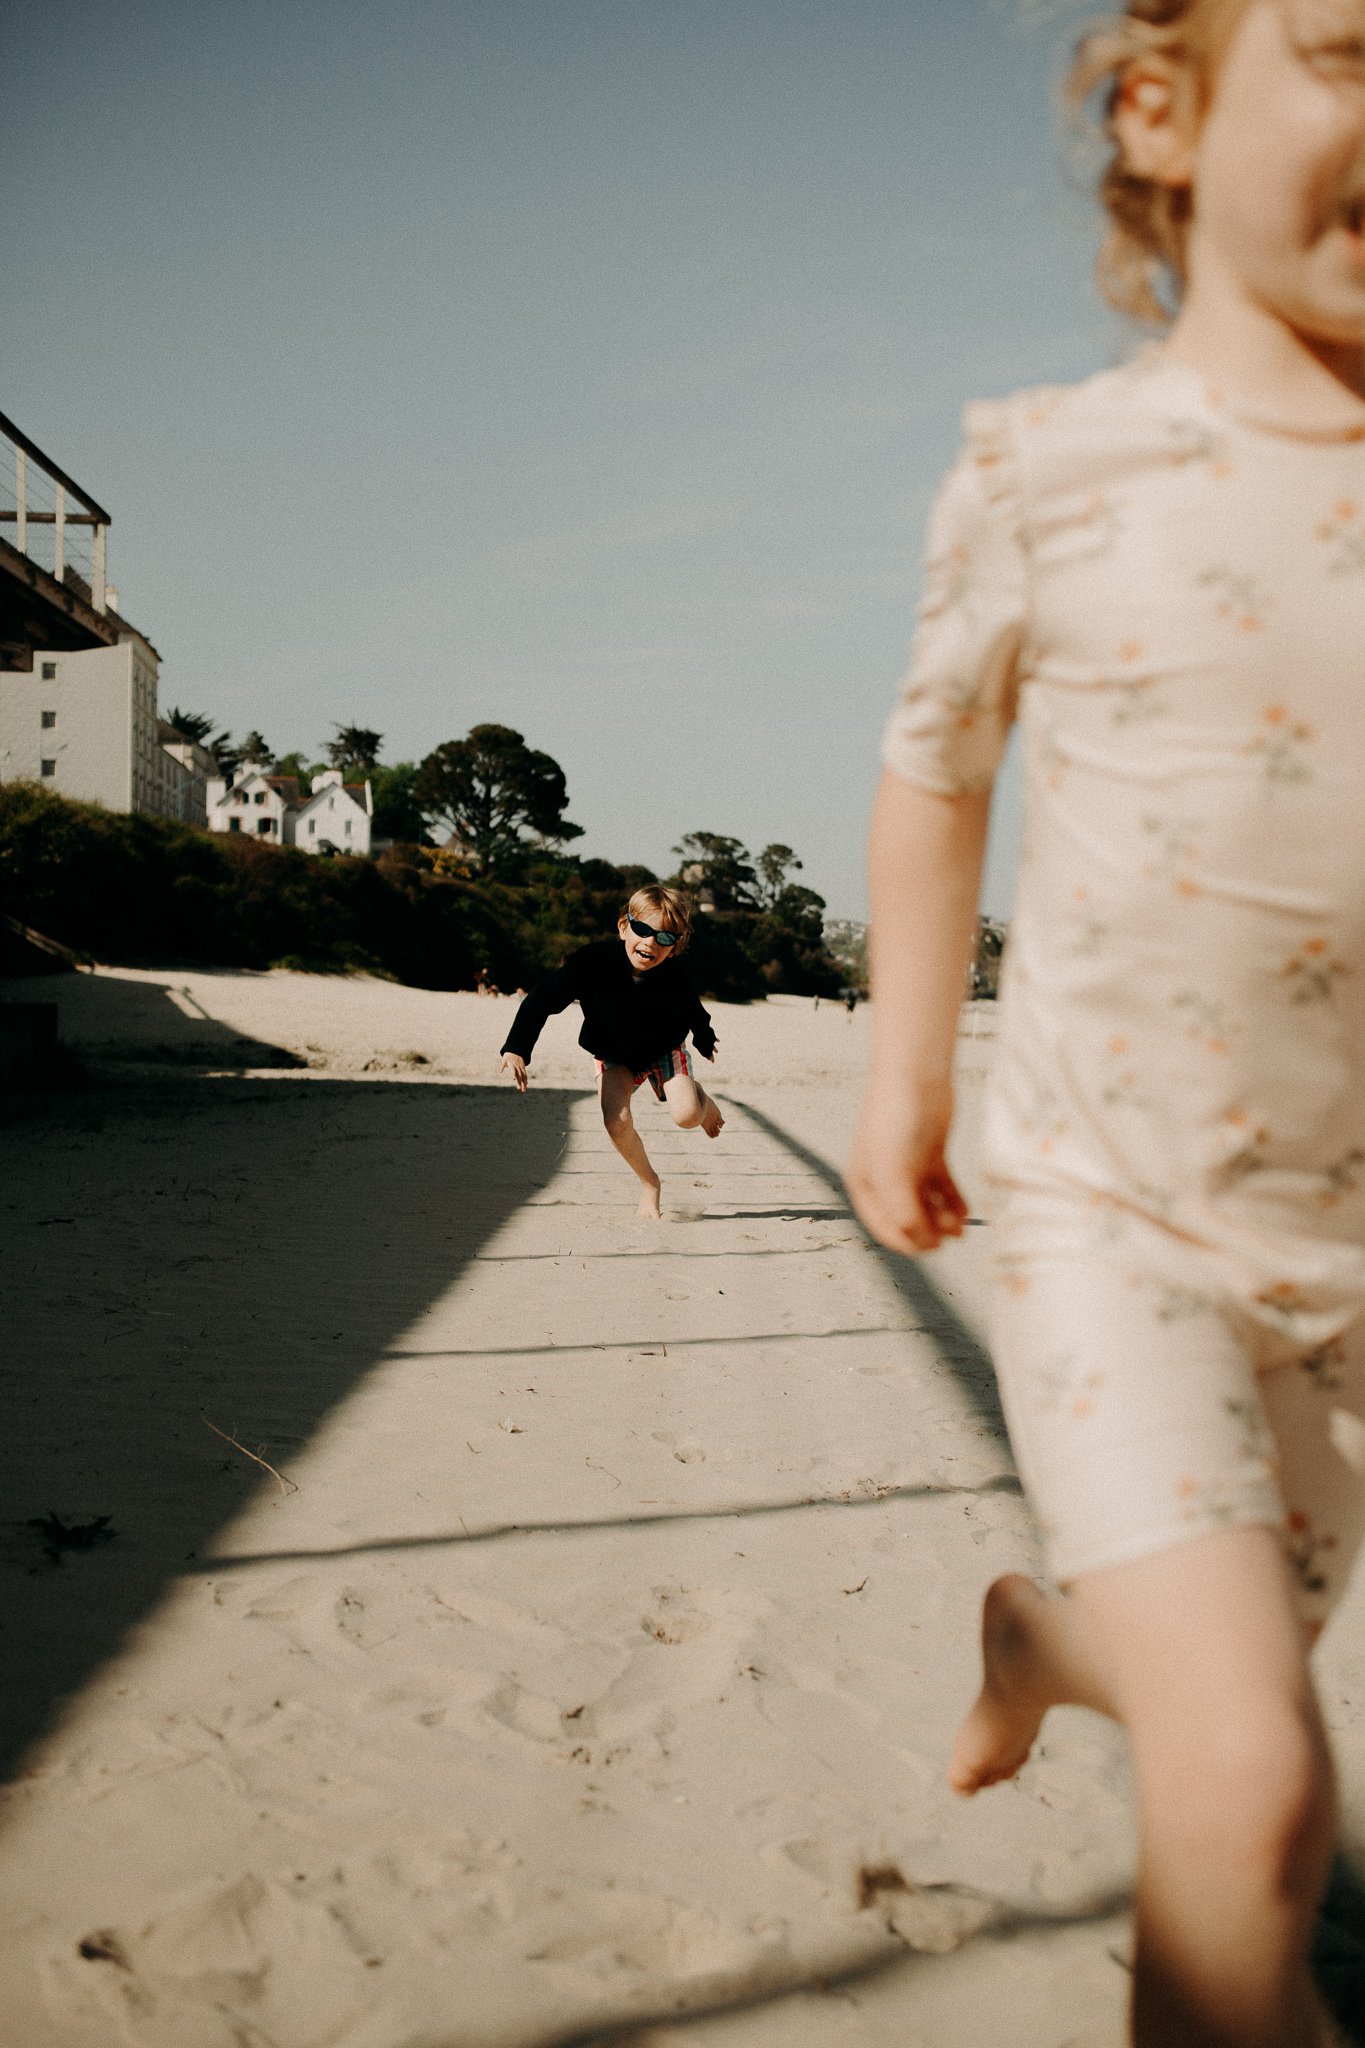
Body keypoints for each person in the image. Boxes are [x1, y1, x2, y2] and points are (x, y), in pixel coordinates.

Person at [846, 5, 1365, 2041]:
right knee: (1247, 1789)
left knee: (1219, 1672)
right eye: (1347, 52)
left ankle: (1045, 1641)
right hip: (1106, 1220)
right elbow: (932, 765)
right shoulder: (1051, 472)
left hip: (1351, 1262)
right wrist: (902, 1064)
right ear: (1160, 116)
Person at [500, 884, 723, 1218]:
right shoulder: (591, 962)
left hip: (663, 1048)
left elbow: (693, 1010)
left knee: (687, 1115)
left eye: (664, 938)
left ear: (675, 946)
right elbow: (543, 999)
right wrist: (517, 1047)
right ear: (623, 927)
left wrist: (705, 1038)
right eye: (643, 930)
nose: (650, 942)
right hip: (614, 1053)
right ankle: (650, 1183)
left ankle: (703, 1102)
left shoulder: (674, 976)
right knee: (615, 1120)